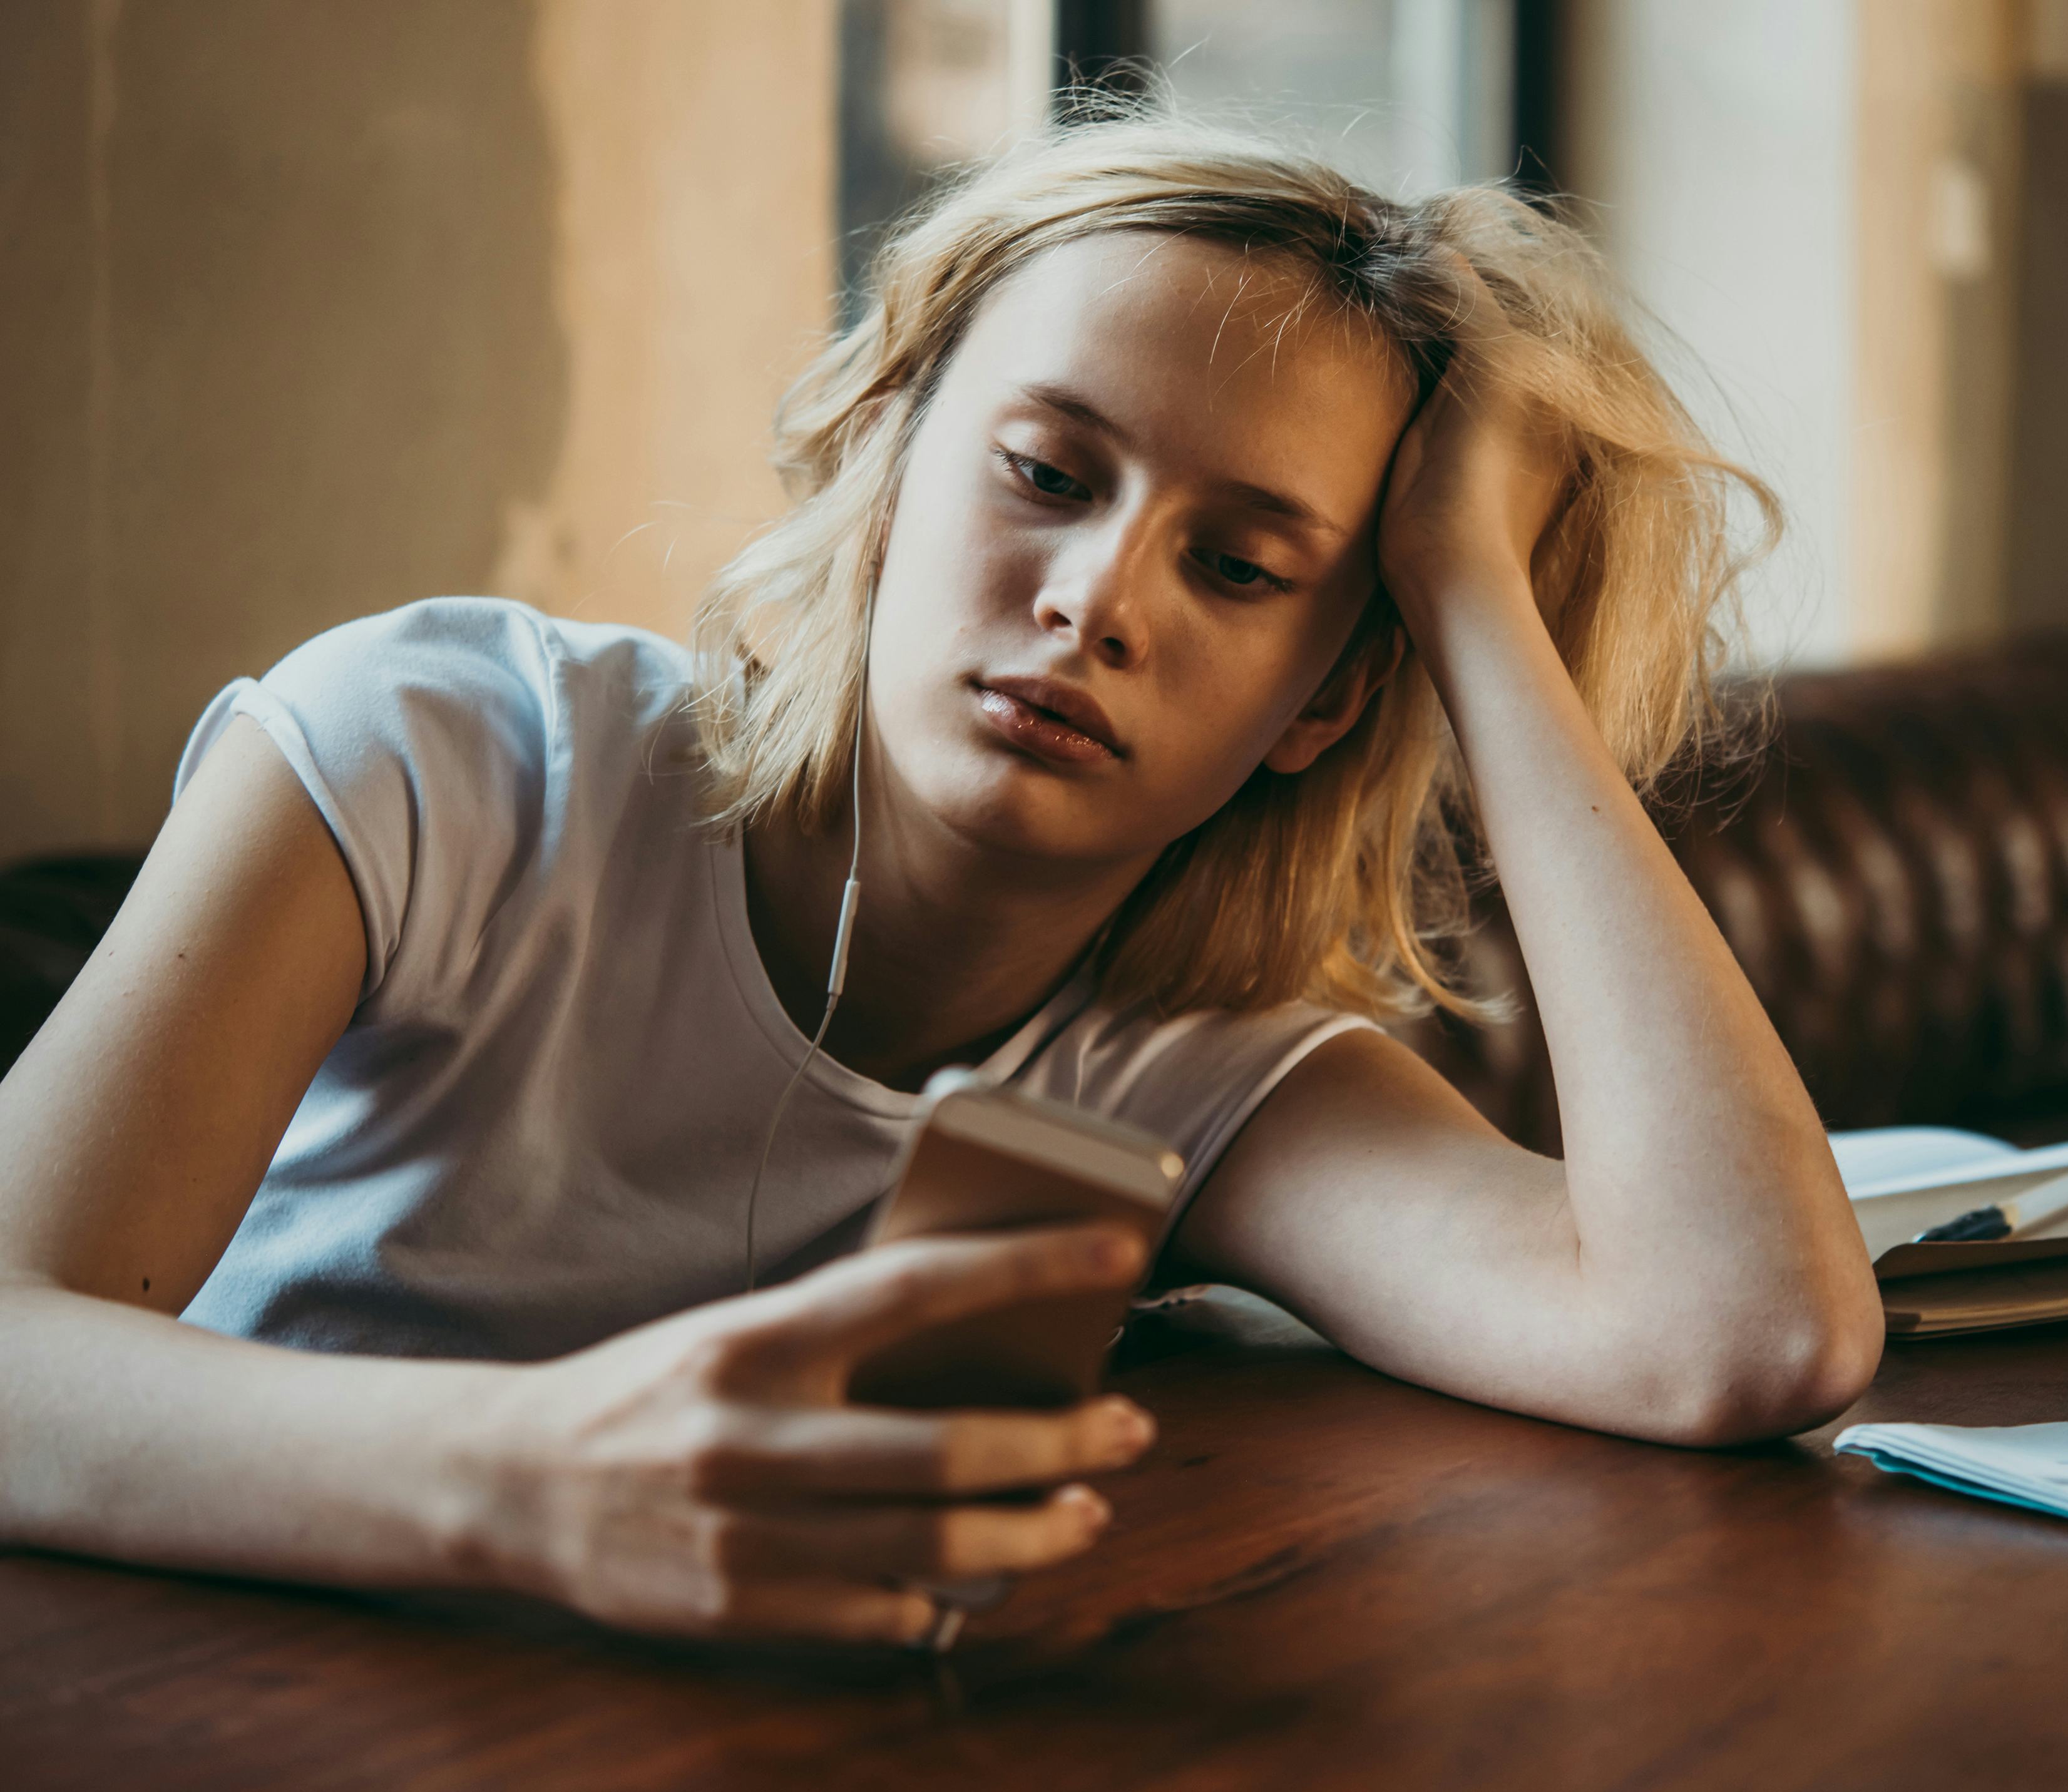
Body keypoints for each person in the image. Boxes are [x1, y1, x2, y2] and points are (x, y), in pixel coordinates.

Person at [0, 115, 1880, 1645]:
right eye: (1048, 471)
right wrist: (534, 1475)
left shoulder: (1191, 1069)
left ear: (1329, 700)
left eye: (1242, 570)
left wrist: (1474, 601)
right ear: (891, 454)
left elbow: (1745, 1331)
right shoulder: (440, 755)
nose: (1096, 600)